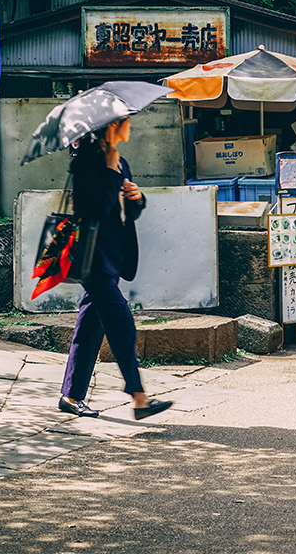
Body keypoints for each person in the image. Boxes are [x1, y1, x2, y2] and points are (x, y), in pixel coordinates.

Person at [59, 118, 173, 419]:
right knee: (122, 322)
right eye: (126, 121)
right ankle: (139, 397)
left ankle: (71, 395)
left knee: (91, 327)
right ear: (112, 127)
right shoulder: (87, 161)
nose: (130, 126)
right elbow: (93, 210)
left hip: (113, 256)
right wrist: (110, 174)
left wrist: (137, 198)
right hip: (93, 258)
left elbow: (125, 213)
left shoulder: (121, 162)